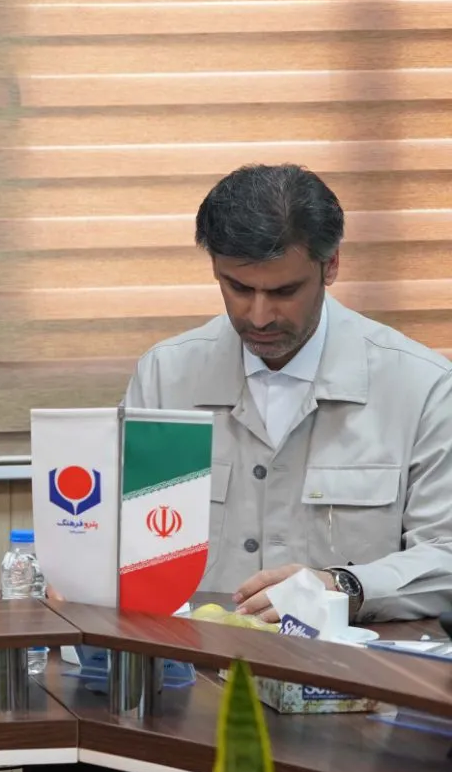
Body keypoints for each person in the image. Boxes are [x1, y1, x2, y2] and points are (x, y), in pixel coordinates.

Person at [125, 164, 452, 622]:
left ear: (330, 265)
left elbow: (444, 556)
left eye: (284, 291)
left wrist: (344, 587)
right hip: (194, 656)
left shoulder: (422, 386)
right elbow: (123, 540)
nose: (259, 316)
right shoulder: (166, 376)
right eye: (239, 288)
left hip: (350, 660)